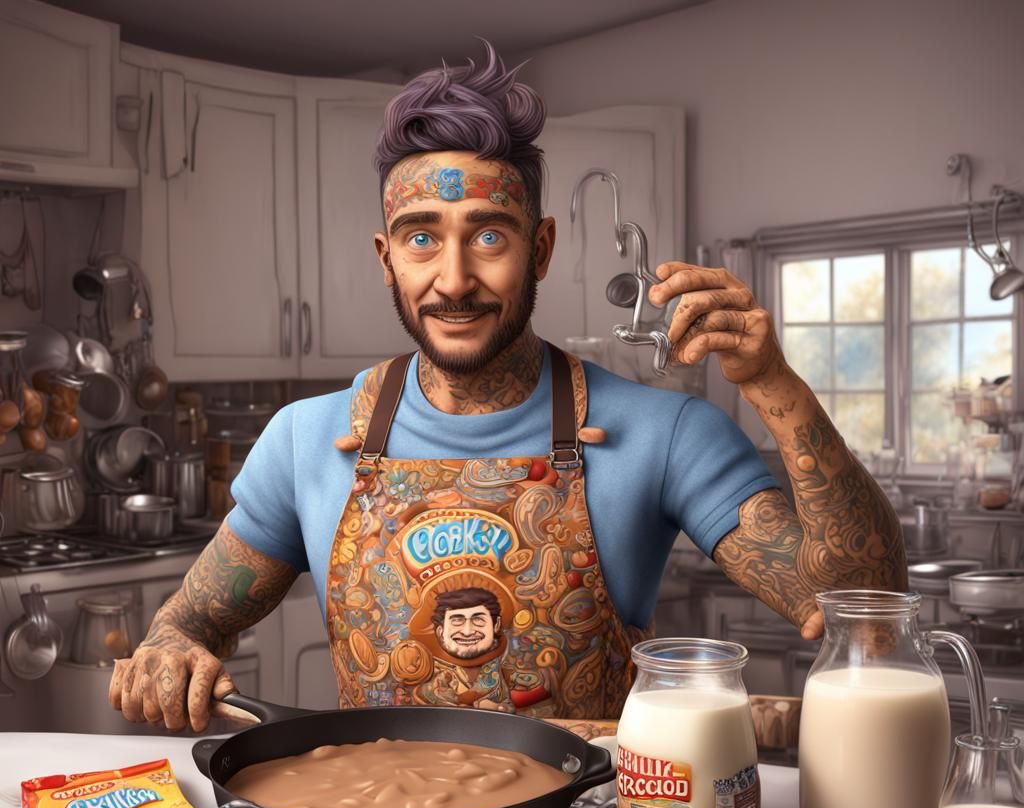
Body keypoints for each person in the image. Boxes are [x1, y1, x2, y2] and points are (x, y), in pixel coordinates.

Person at [110, 43, 904, 732]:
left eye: (489, 235)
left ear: (542, 247)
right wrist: (169, 653)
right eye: (423, 238)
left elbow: (863, 614)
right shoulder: (306, 440)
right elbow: (188, 624)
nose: (453, 281)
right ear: (387, 258)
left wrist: (774, 386)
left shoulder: (665, 435)